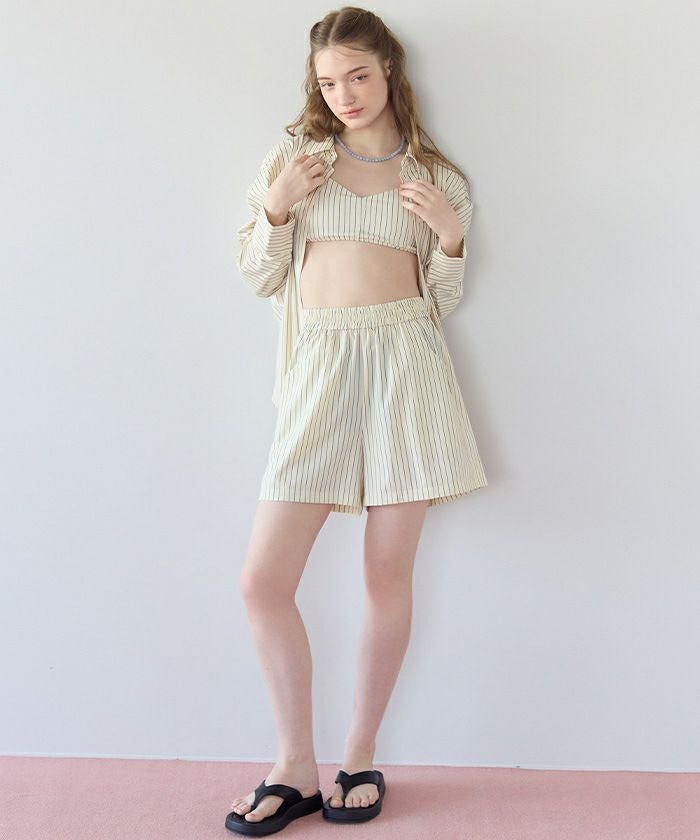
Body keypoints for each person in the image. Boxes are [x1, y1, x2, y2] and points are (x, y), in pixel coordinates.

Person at [226, 6, 488, 835]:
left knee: (385, 576)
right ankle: (293, 765)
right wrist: (275, 209)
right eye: (329, 81)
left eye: (359, 76)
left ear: (389, 71)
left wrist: (450, 239)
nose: (344, 94)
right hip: (322, 371)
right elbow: (260, 277)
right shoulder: (296, 163)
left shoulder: (435, 177)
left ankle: (360, 755)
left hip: (409, 370)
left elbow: (442, 300)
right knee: (263, 581)